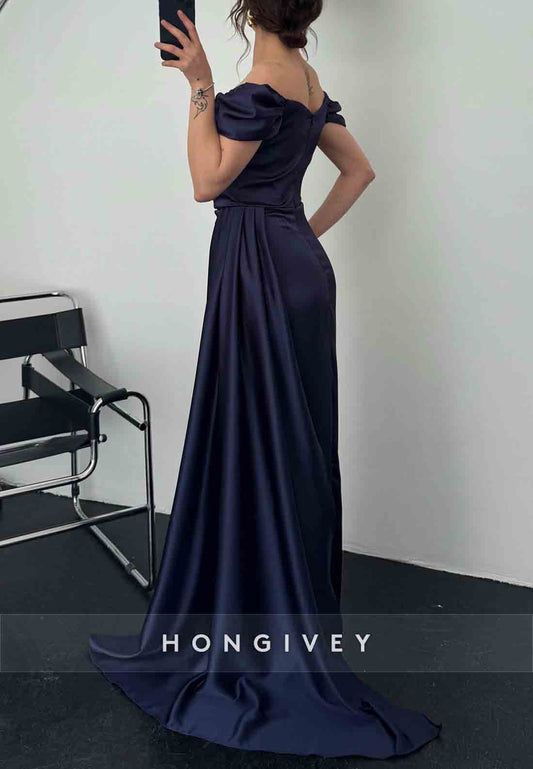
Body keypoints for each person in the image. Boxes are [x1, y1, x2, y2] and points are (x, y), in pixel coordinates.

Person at [89, 1, 442, 758]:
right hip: (298, 270)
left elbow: (205, 182)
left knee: (251, 440)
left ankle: (254, 628)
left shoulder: (258, 85)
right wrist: (297, 232)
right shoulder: (307, 79)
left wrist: (198, 84)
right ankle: (285, 615)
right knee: (290, 446)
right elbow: (359, 170)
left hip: (255, 274)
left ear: (248, 9)